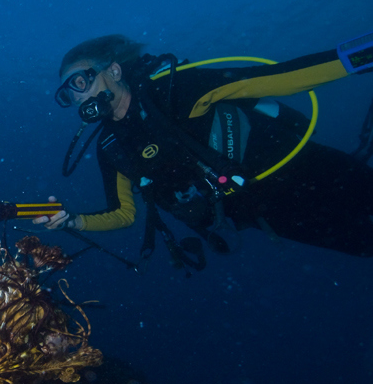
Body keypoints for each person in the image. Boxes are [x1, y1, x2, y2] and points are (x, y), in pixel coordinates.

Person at [35, 34, 373, 261]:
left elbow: (270, 79)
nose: (79, 95)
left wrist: (356, 58)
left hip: (300, 167)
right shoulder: (111, 146)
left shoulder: (174, 91)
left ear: (114, 70)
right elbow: (123, 214)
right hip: (264, 214)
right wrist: (72, 221)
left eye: (81, 81)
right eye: (69, 93)